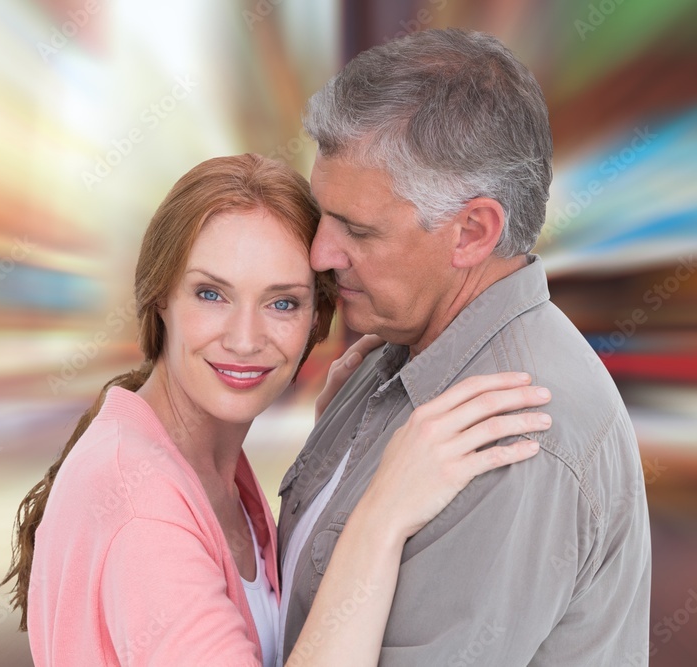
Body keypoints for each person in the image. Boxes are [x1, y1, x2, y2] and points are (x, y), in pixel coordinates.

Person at [1, 153, 552, 666]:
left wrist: (337, 456)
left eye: (282, 302)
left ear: (317, 320)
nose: (245, 339)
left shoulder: (209, 467)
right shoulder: (141, 506)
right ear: (159, 297)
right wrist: (382, 514)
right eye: (211, 294)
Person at [277, 28, 652, 665]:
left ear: (473, 232)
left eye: (358, 229)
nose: (319, 254)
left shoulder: (516, 436)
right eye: (322, 213)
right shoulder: (397, 347)